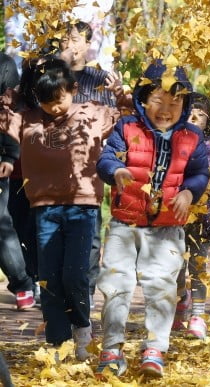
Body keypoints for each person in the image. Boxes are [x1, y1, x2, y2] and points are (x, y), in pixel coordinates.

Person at [95, 61, 209, 378]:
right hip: (124, 224)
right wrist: (115, 171)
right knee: (116, 285)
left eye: (175, 103)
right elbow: (106, 158)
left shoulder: (192, 137)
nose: (166, 109)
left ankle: (155, 348)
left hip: (168, 228)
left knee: (161, 286)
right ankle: (111, 350)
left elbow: (200, 173)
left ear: (185, 106)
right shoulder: (127, 128)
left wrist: (189, 192)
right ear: (145, 98)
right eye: (159, 100)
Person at [0, 58, 119, 360]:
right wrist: (11, 91)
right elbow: (4, 118)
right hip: (45, 210)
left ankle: (81, 328)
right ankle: (58, 343)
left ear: (73, 89)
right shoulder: (27, 118)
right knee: (49, 279)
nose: (54, 107)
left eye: (60, 99)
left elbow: (131, 118)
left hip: (82, 208)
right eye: (47, 101)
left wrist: (123, 95)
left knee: (75, 275)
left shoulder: (92, 113)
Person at [60, 20, 129, 310]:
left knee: (88, 232)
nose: (69, 44)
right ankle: (50, 287)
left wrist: (119, 95)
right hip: (51, 166)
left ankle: (85, 293)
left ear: (88, 44)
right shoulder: (48, 73)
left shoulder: (100, 79)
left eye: (75, 39)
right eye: (65, 39)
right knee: (49, 229)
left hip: (88, 169)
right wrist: (57, 66)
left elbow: (119, 118)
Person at [173, 92, 210, 340]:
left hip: (204, 215)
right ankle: (179, 305)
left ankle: (198, 315)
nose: (195, 119)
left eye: (201, 116)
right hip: (175, 213)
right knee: (175, 267)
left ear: (209, 120)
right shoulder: (172, 139)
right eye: (190, 114)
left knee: (198, 265)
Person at [0, 52, 35, 310]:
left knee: (1, 223)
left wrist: (11, 154)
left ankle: (22, 284)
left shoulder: (4, 64)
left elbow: (9, 111)